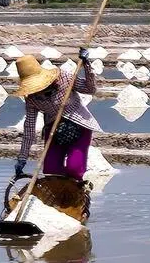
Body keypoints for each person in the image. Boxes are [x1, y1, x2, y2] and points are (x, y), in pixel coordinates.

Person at [12, 50, 99, 182]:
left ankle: (76, 190)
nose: (38, 91)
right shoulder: (32, 99)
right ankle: (61, 194)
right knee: (51, 170)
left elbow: (90, 89)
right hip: (54, 130)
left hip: (78, 125)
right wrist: (22, 158)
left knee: (74, 168)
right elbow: (29, 128)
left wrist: (86, 65)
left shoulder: (65, 79)